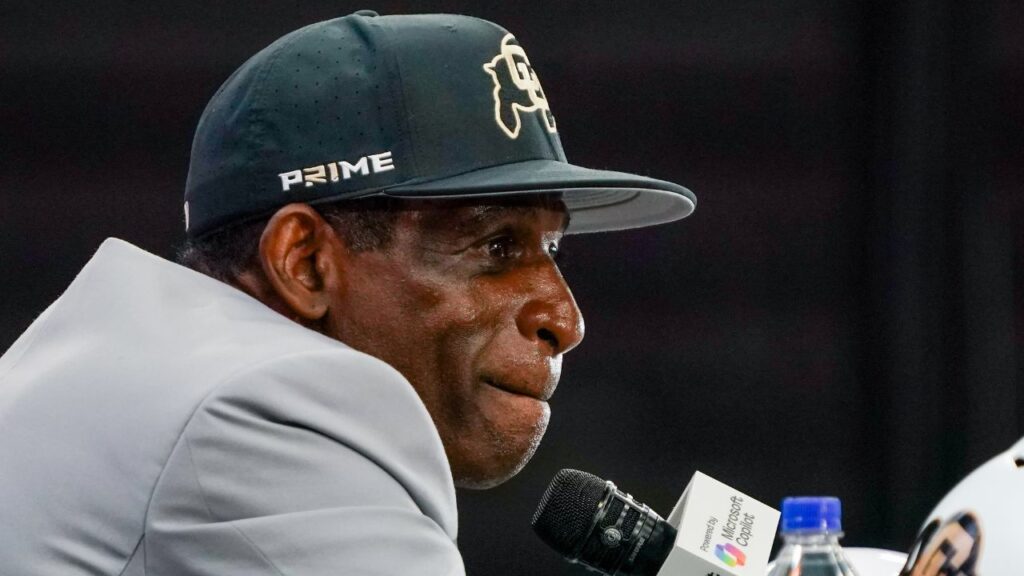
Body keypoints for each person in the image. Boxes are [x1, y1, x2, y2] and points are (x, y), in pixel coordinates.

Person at [0, 11, 695, 575]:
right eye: (494, 247)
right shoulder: (266, 406)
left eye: (551, 250)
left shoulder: (120, 362)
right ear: (304, 261)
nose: (565, 320)